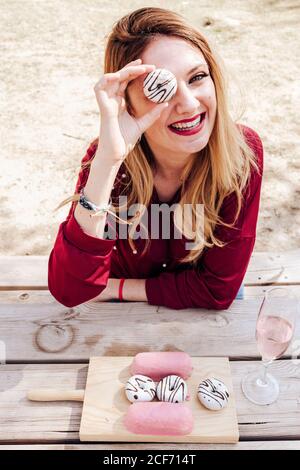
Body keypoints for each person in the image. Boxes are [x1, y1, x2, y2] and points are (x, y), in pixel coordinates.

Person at [48, 7, 263, 310]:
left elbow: (218, 290)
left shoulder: (242, 153)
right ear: (128, 103)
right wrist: (108, 161)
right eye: (162, 90)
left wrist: (117, 287)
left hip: (196, 323)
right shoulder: (108, 162)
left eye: (197, 77)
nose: (188, 104)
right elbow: (70, 291)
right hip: (119, 325)